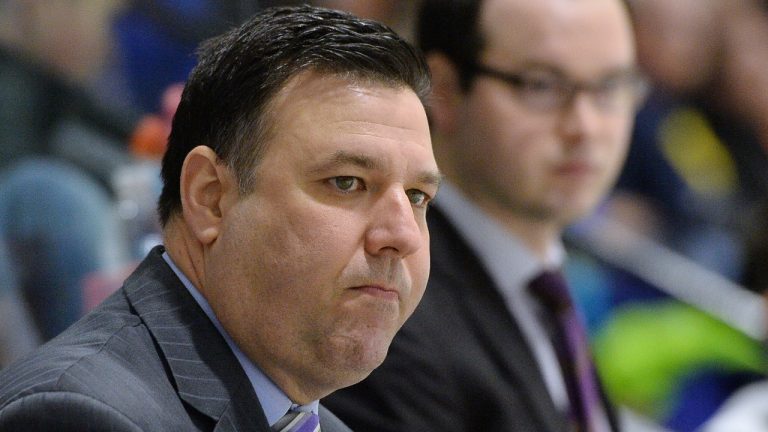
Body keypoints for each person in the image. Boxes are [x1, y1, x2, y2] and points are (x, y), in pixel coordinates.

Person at [0, 5, 439, 431]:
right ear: (210, 197)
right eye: (347, 182)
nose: (403, 235)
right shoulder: (81, 416)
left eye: (418, 196)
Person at [324, 0, 648, 430]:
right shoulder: (389, 306)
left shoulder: (545, 288)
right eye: (541, 86)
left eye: (610, 87)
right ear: (444, 90)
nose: (585, 127)